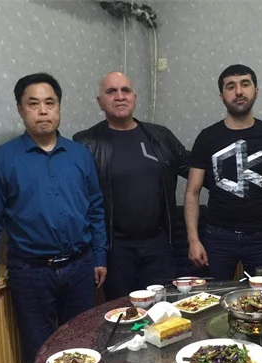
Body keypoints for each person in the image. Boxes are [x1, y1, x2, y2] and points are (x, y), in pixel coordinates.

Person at [0, 73, 108, 363]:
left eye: (50, 103)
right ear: (20, 109)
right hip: (31, 272)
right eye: (33, 104)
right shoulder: (1, 160)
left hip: (80, 267)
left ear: (59, 107)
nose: (43, 111)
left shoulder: (79, 154)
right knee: (38, 354)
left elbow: (95, 208)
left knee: (85, 346)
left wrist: (100, 256)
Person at [73, 72, 190, 300]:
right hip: (115, 250)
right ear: (100, 102)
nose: (120, 96)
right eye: (111, 91)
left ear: (134, 97)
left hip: (158, 245)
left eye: (125, 90)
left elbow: (194, 168)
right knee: (122, 313)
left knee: (162, 311)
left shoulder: (160, 136)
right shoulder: (86, 143)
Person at [184, 64, 262, 280]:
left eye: (245, 84)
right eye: (231, 86)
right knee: (214, 297)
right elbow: (192, 191)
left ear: (256, 91)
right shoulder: (207, 137)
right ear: (221, 96)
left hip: (260, 236)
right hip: (217, 235)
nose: (238, 91)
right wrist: (193, 240)